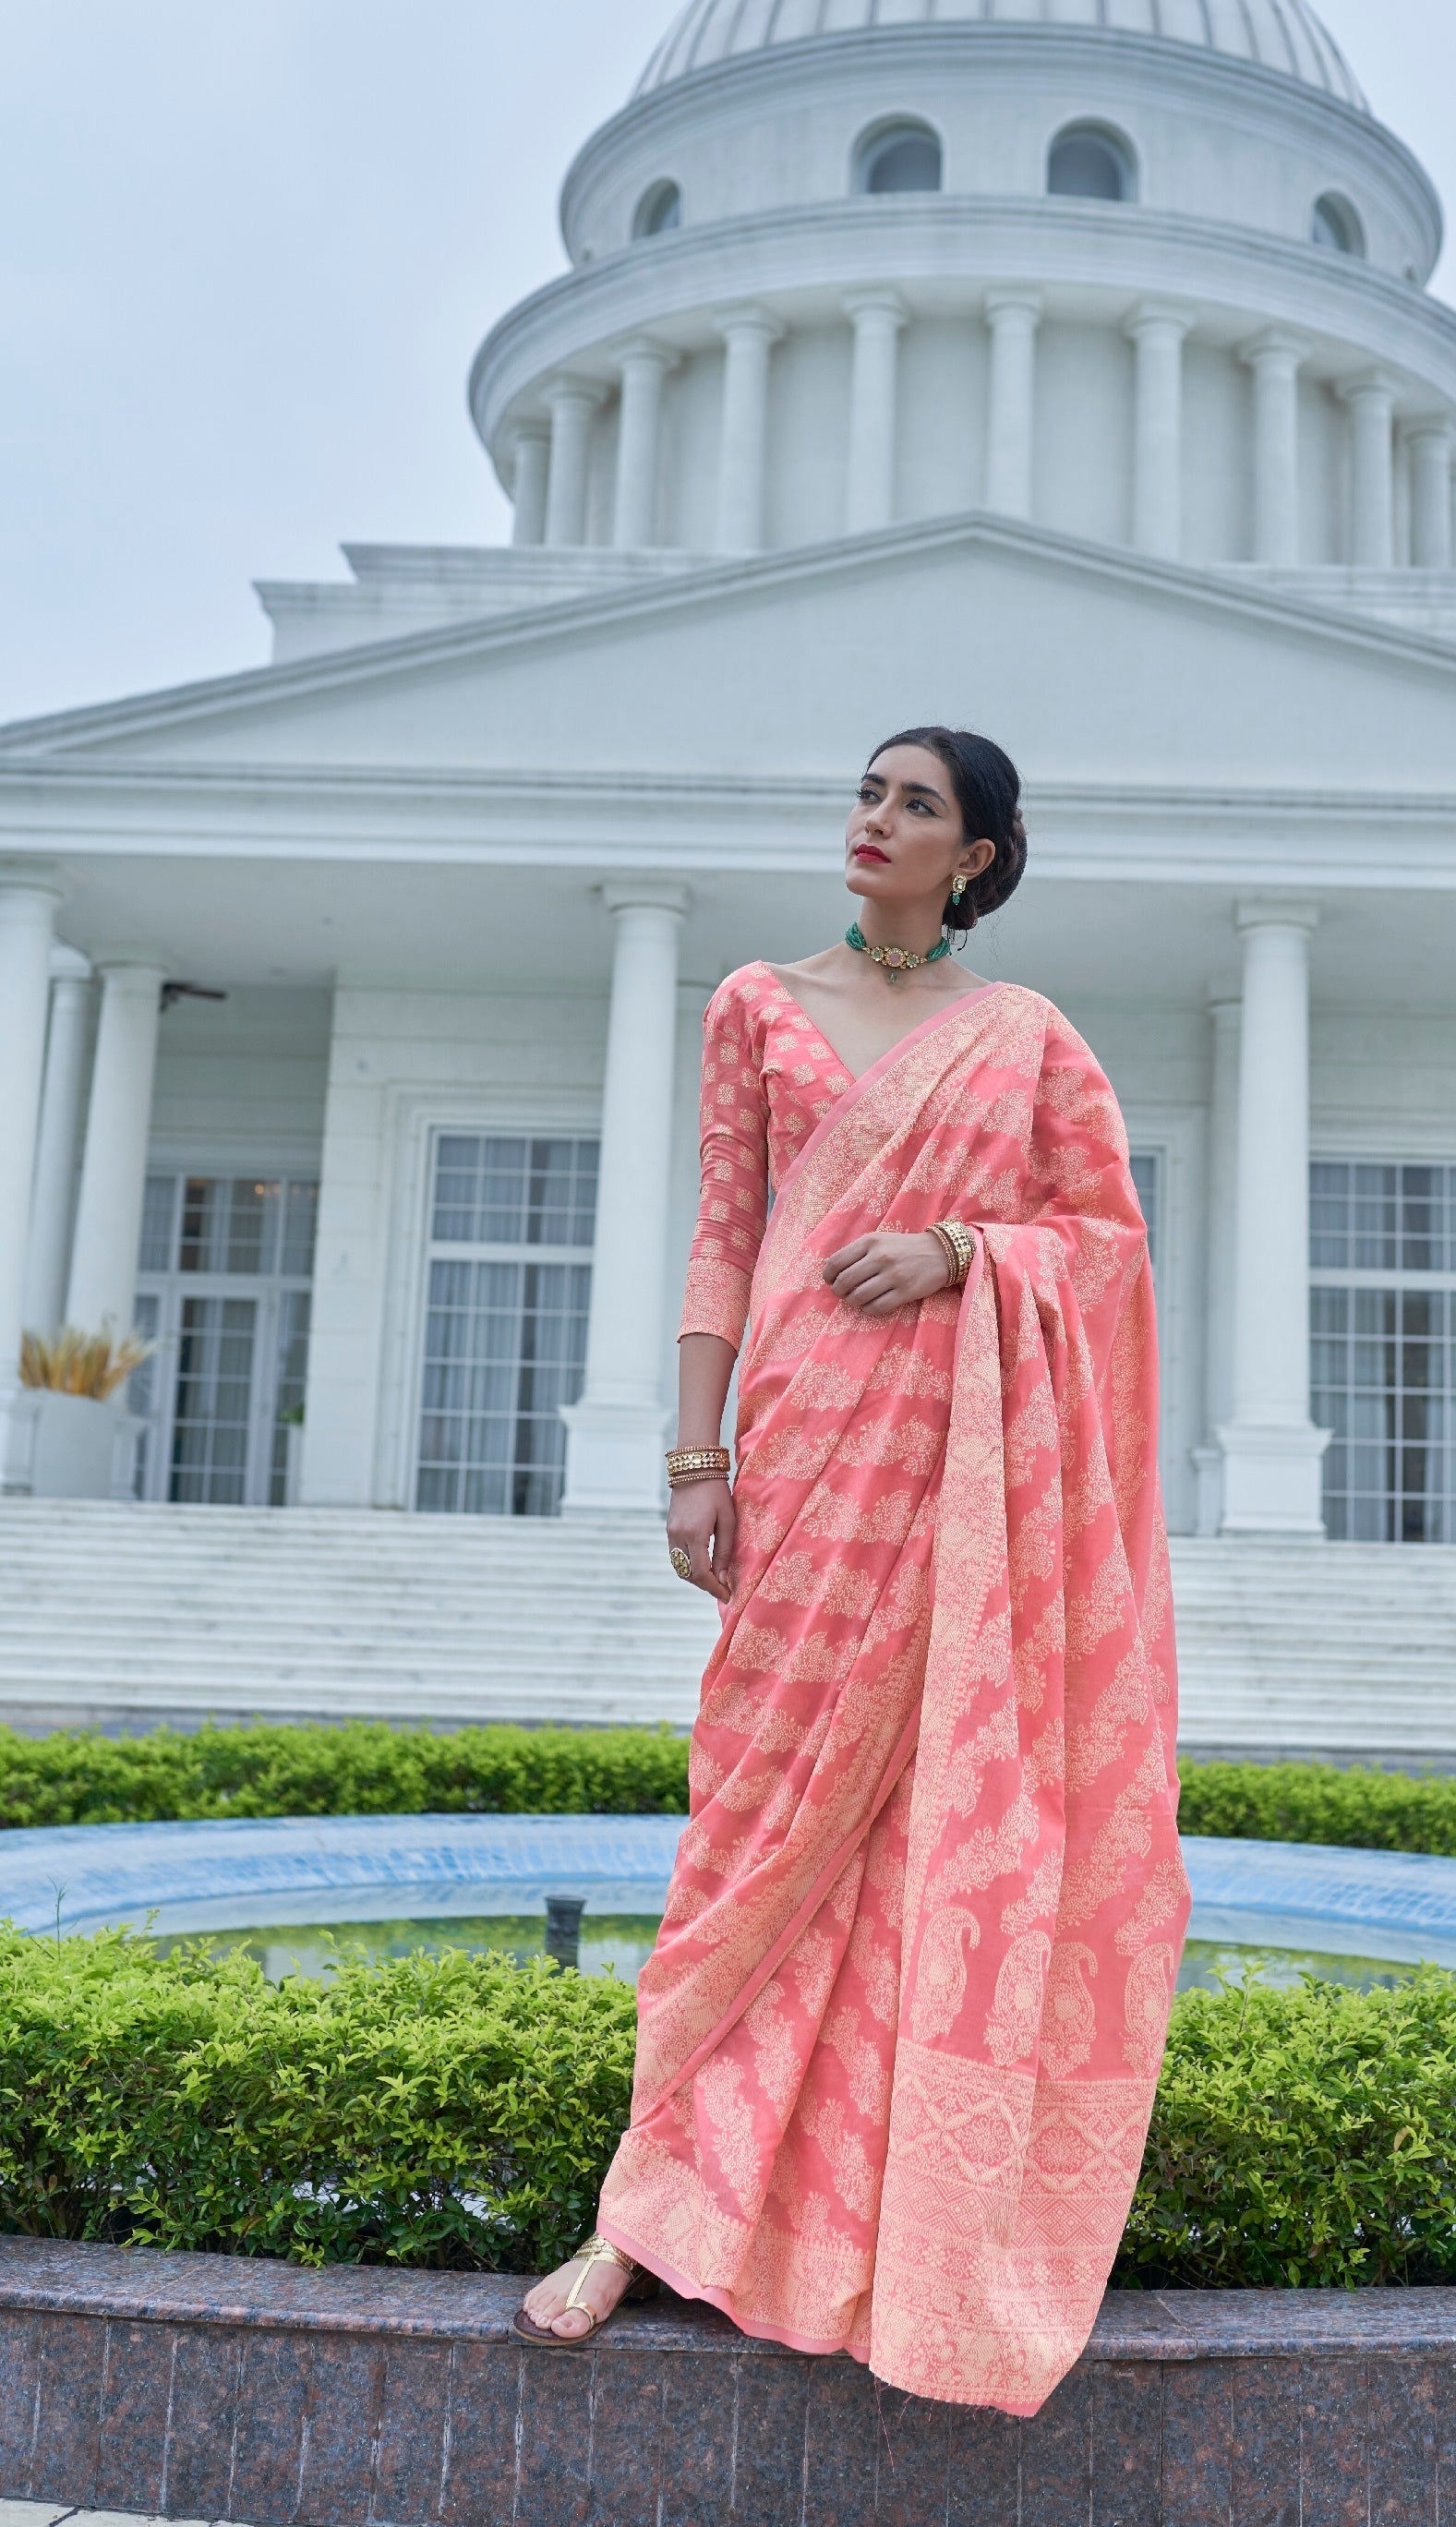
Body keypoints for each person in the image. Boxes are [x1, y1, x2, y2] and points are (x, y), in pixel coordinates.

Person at [515, 727, 1189, 2413]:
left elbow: (1103, 1245)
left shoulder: (1023, 1039)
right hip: (808, 1456)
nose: (870, 822)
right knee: (747, 1828)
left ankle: (870, 2227)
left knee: (916, 1847)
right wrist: (693, 1456)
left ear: (973, 853)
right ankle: (639, 2209)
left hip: (957, 1482)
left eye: (913, 805)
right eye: (866, 794)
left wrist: (963, 1248)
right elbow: (722, 1233)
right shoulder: (756, 1001)